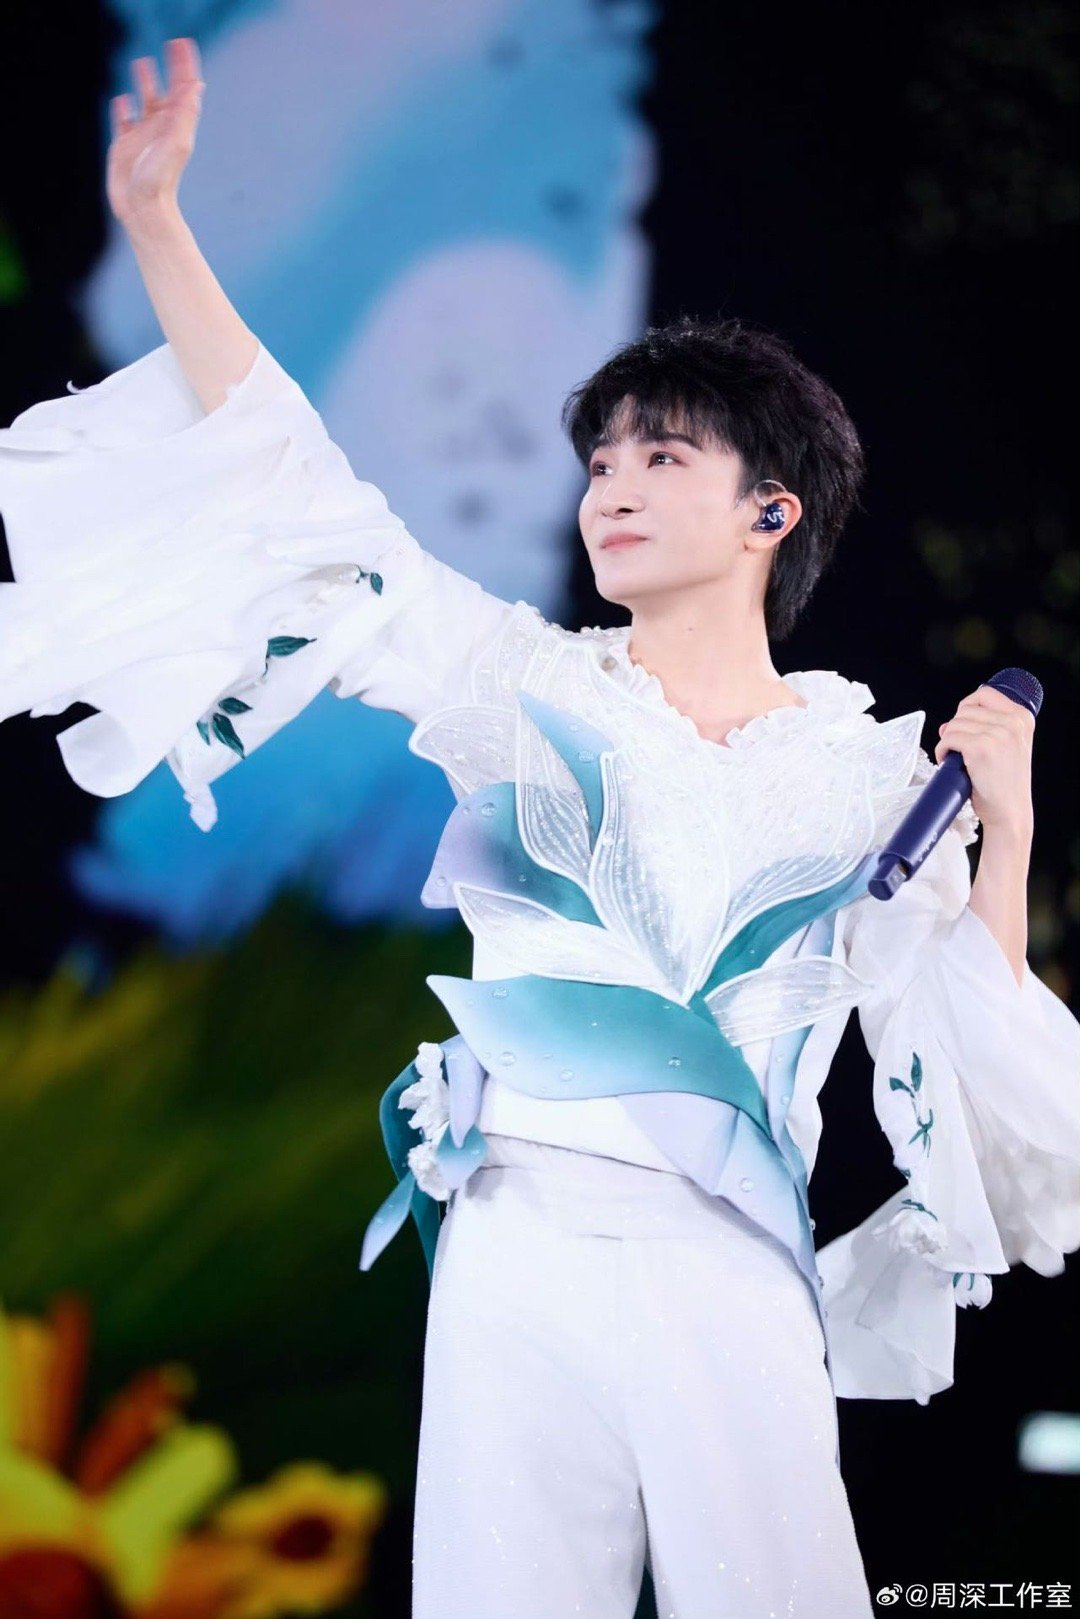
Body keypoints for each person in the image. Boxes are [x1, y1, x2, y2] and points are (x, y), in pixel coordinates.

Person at [2, 36, 1078, 1619]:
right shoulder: (522, 685)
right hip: (512, 1239)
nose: (608, 489)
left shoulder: (868, 778)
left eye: (662, 456)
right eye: (600, 462)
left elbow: (983, 1057)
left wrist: (1011, 830)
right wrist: (159, 227)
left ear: (771, 512)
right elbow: (305, 502)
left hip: (728, 1254)